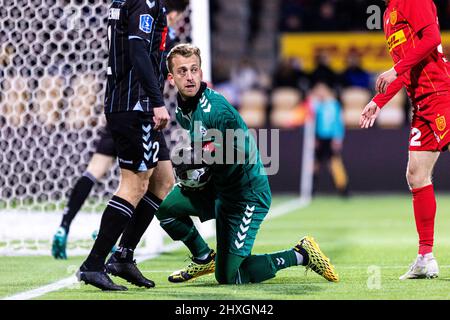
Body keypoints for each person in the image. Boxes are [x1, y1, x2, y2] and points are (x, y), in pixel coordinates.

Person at [155, 43, 339, 285]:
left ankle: (301, 254)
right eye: (182, 71)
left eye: (194, 70)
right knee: (165, 210)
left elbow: (240, 150)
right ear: (171, 78)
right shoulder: (183, 109)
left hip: (244, 195)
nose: (189, 77)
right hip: (219, 186)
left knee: (229, 277)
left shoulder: (217, 110)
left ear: (201, 73)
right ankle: (202, 257)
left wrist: (203, 159)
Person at [51, 0, 188, 261]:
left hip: (125, 106)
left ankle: (66, 226)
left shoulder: (122, 5)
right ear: (175, 14)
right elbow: (146, 56)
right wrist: (162, 99)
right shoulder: (151, 15)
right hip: (136, 106)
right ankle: (103, 250)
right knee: (135, 184)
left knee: (158, 178)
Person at [76, 0, 172, 291]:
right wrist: (157, 101)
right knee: (134, 185)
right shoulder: (144, 2)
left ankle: (123, 256)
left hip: (132, 103)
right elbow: (138, 50)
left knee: (163, 181)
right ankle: (93, 264)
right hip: (135, 104)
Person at [360, 0, 450, 280]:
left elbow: (433, 38)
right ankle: (425, 257)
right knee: (415, 175)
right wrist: (379, 101)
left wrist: (395, 70)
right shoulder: (388, 15)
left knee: (418, 174)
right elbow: (406, 65)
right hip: (422, 104)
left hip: (440, 95)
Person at [311, 82, 349, 197]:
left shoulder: (334, 105)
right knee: (314, 164)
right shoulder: (316, 106)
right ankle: (311, 189)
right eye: (318, 91)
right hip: (319, 138)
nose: (321, 94)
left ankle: (343, 190)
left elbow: (339, 123)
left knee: (334, 164)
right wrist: (314, 138)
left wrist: (338, 138)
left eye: (322, 91)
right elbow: (313, 124)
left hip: (330, 138)